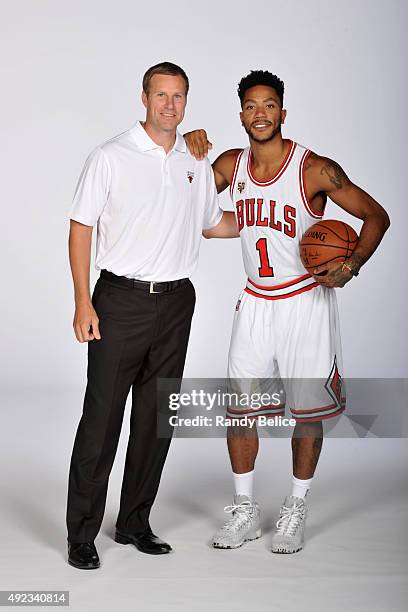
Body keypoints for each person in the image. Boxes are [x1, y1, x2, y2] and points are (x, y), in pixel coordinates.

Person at [184, 70, 390, 553]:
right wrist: (184, 149)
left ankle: (296, 507)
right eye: (251, 105)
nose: (260, 113)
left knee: (306, 413)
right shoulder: (231, 164)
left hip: (305, 299)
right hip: (256, 300)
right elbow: (186, 199)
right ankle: (244, 510)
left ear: (282, 112)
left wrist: (353, 263)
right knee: (239, 411)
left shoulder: (314, 168)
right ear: (241, 114)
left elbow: (376, 216)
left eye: (269, 104)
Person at [66, 62, 233, 569]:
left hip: (178, 301)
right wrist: (82, 301)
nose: (169, 105)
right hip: (120, 301)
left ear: (186, 100)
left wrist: (273, 217)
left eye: (178, 96)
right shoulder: (110, 156)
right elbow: (80, 228)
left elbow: (214, 225)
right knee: (102, 420)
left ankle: (134, 522)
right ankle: (81, 534)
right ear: (144, 98)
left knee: (155, 420)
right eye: (160, 95)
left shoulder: (195, 158)